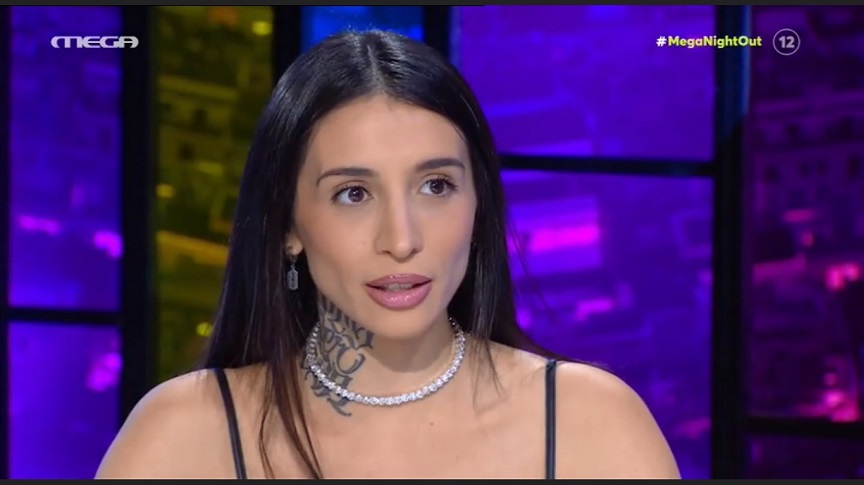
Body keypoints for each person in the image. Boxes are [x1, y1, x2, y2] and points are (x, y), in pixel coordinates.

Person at [96, 30, 679, 479]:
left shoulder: (588, 423)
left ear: (479, 209)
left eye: (436, 186)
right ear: (287, 227)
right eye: (353, 194)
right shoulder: (185, 433)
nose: (401, 240)